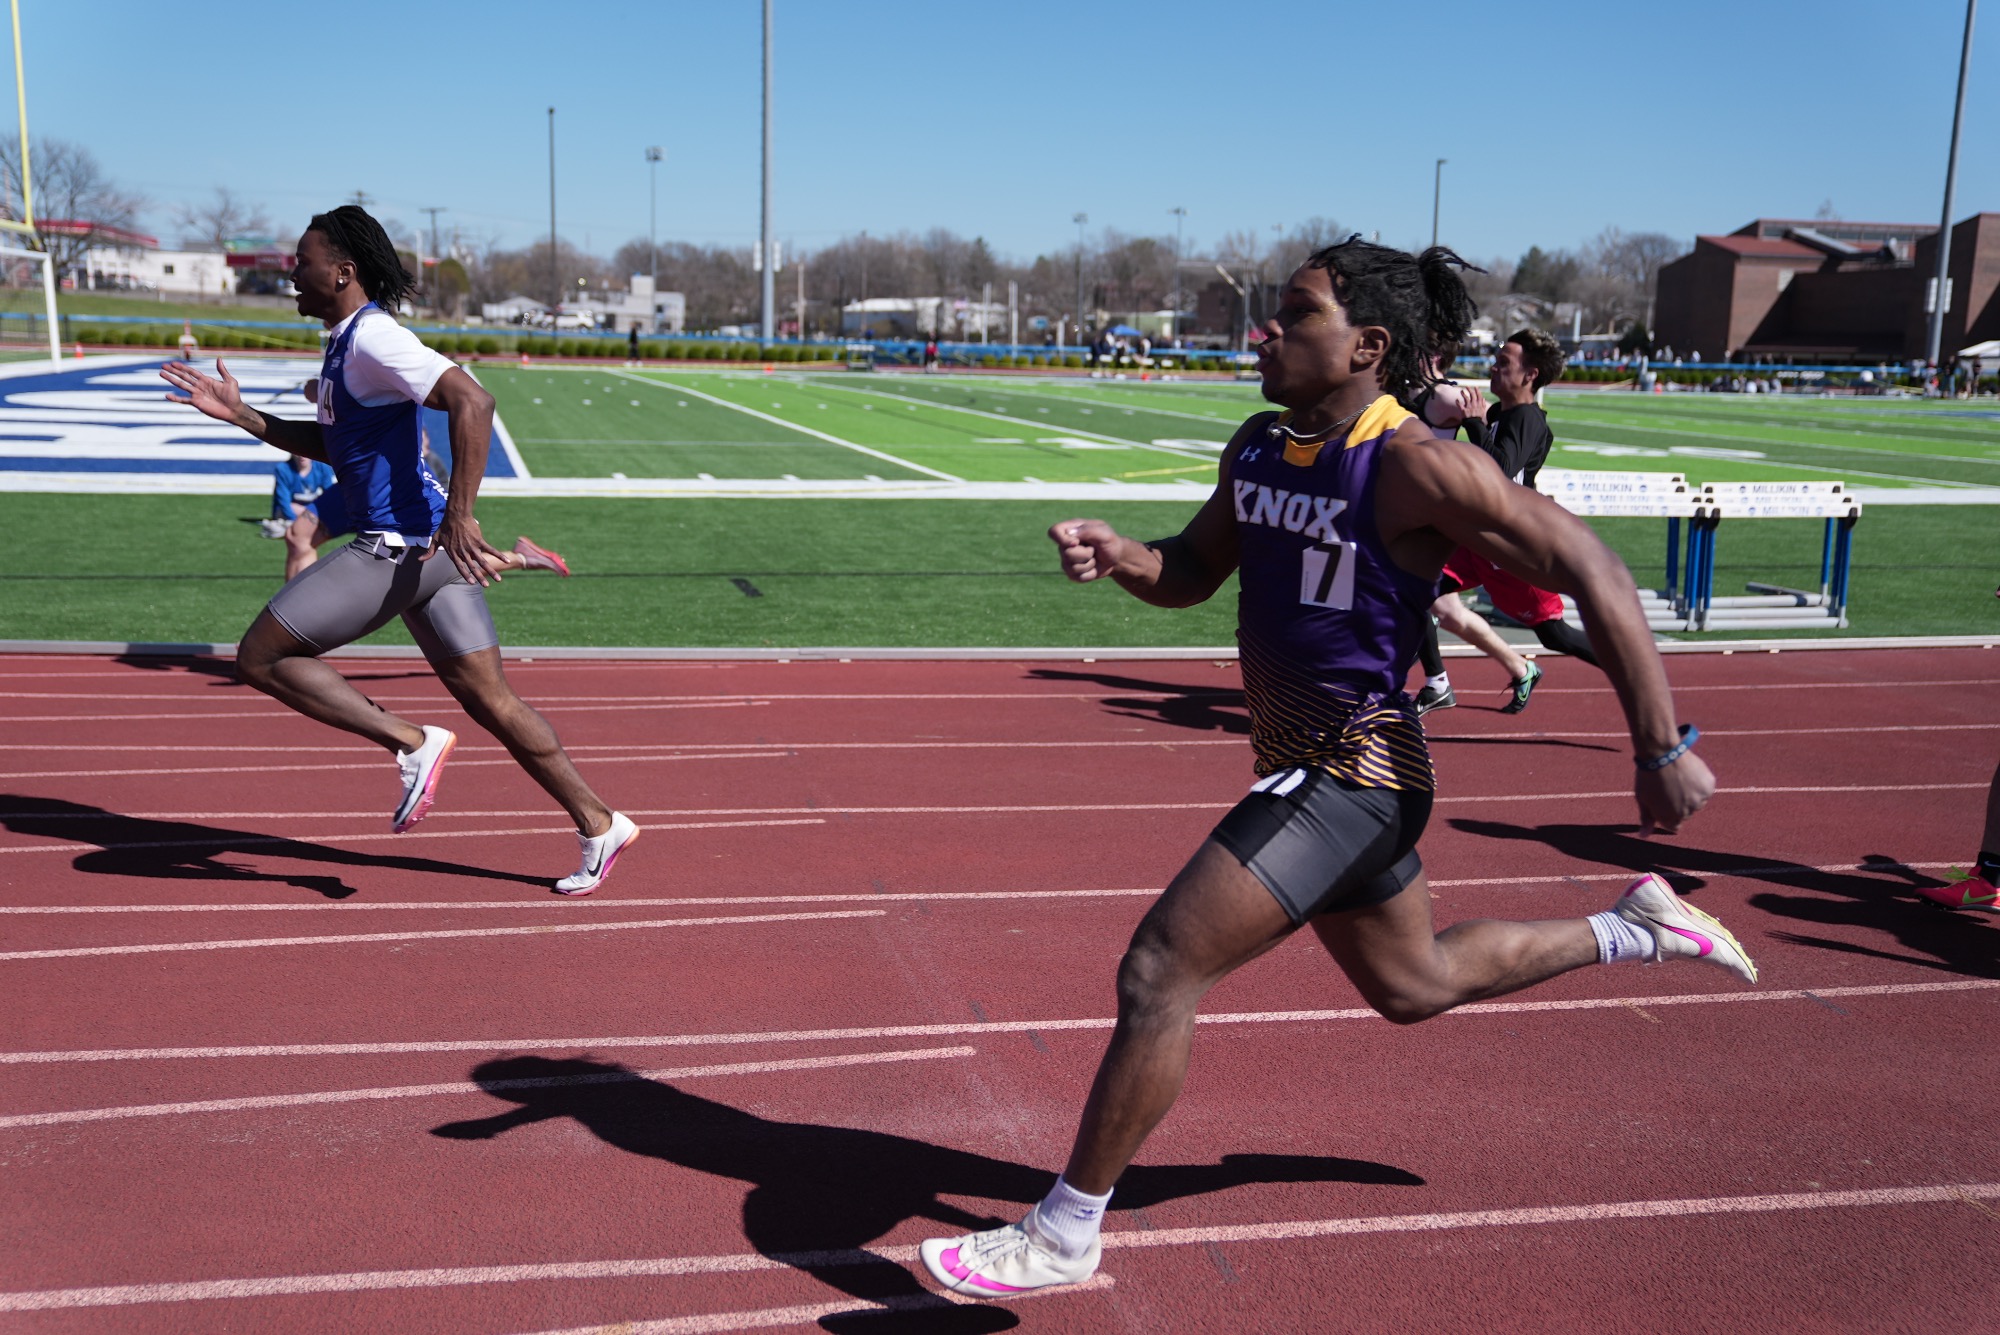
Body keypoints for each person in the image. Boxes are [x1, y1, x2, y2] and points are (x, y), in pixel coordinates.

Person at [917, 238, 1748, 1301]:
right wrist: (1124, 556)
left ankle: (1065, 1231)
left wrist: (1659, 745)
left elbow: (1595, 567)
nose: (1265, 330)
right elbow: (1193, 569)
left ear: (1366, 345)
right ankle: (1633, 927)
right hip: (1306, 766)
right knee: (1415, 985)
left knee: (1159, 969)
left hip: (1357, 771)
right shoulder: (1260, 445)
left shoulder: (1414, 463)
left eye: (1296, 313)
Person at [160, 206, 633, 895]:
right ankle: (599, 822)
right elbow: (338, 446)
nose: (292, 273)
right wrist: (243, 416)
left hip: (400, 549)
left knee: (260, 656)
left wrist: (461, 516)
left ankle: (412, 742)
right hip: (430, 556)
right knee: (494, 702)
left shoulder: (374, 338)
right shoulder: (344, 342)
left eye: (302, 261)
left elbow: (474, 402)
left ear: (342, 272)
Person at [1417, 327, 1603, 700]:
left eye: (1504, 362)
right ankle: (1434, 683)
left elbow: (1500, 472)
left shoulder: (1527, 419)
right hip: (1478, 536)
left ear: (1530, 375)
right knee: (1414, 591)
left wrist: (1474, 423)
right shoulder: (1500, 413)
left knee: (1553, 633)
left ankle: (1627, 666)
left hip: (1510, 547)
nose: (1493, 367)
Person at [1408, 374, 1543, 716]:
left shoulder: (1445, 395)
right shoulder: (1407, 386)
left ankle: (1432, 682)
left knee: (1413, 600)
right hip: (1442, 521)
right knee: (1447, 612)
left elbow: (1501, 462)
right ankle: (1519, 667)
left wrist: (1478, 422)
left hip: (1442, 523)